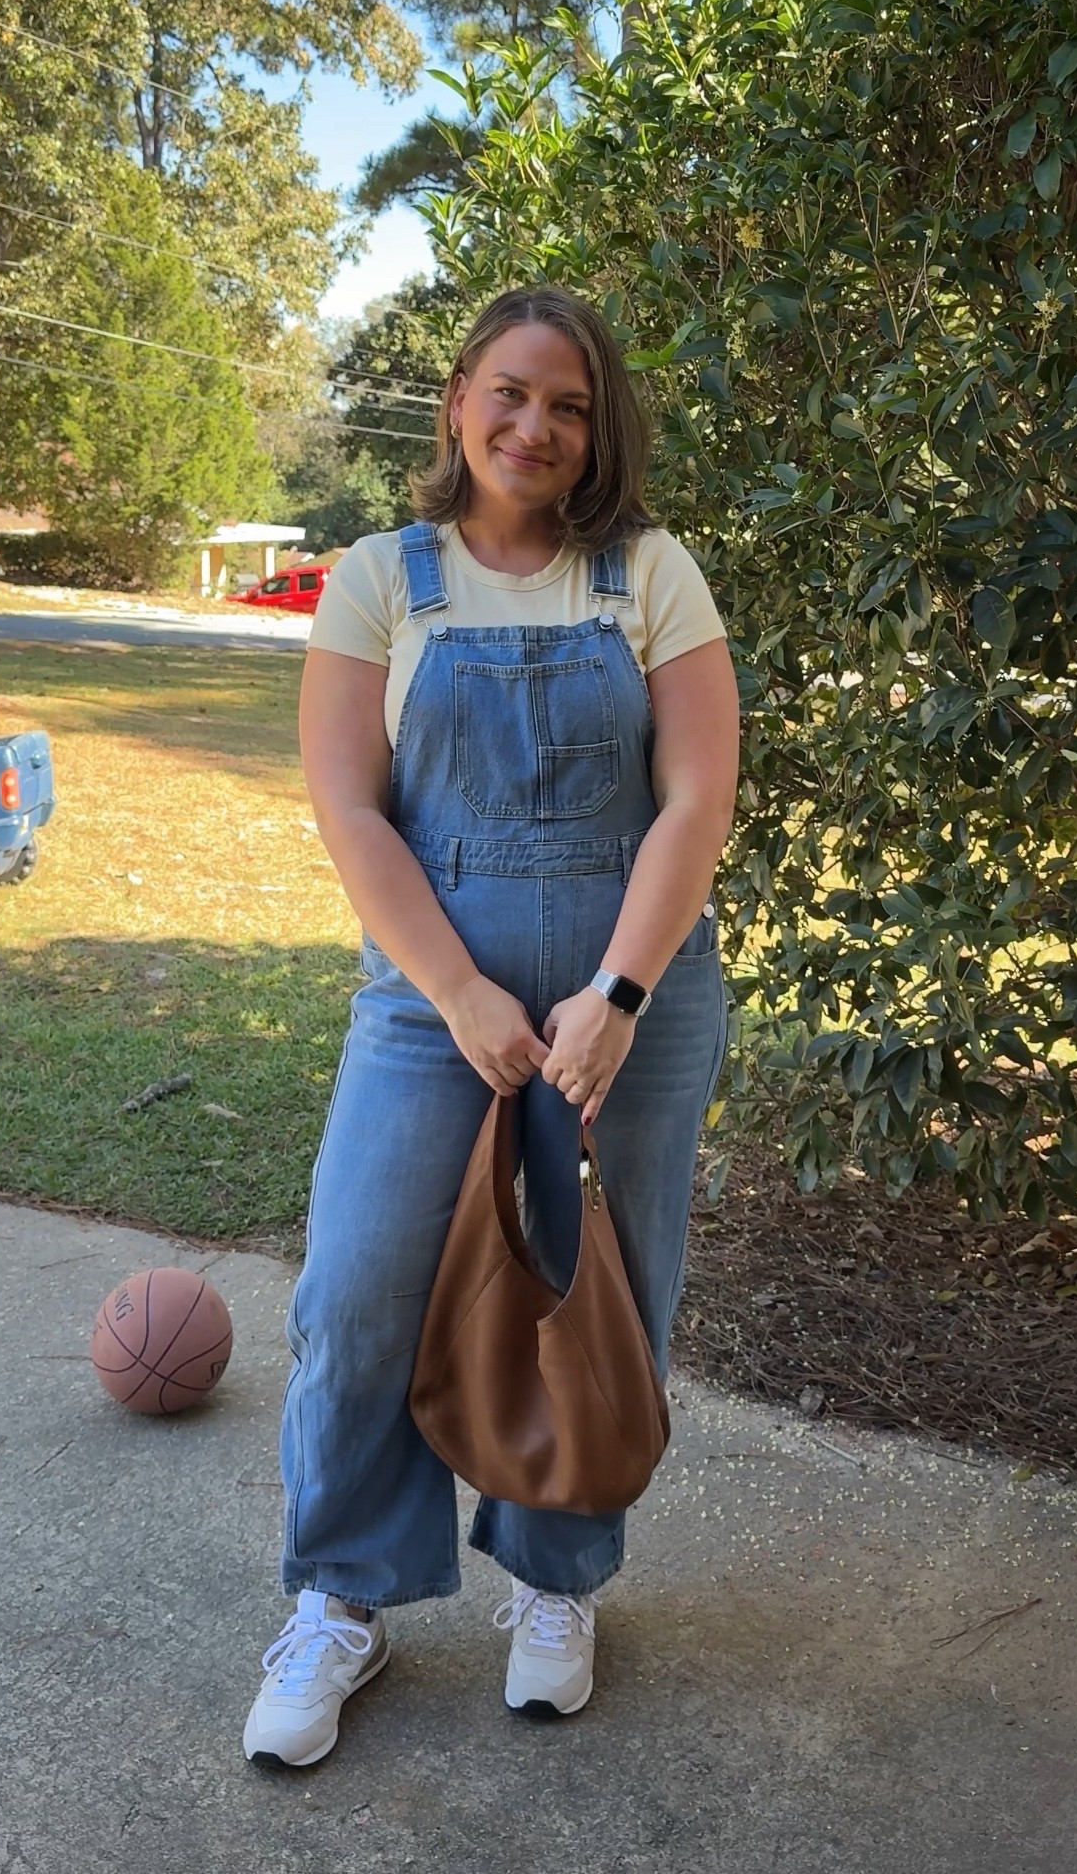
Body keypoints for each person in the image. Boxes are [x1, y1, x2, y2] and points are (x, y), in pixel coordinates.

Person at [243, 286, 739, 1768]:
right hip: (426, 998)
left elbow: (696, 802)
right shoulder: (384, 582)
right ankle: (345, 1597)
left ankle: (555, 1582)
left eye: (571, 406)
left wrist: (618, 996)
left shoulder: (649, 574)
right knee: (355, 1290)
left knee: (601, 1297)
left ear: (599, 434)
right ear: (458, 401)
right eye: (512, 394)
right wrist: (460, 994)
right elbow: (350, 809)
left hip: (630, 1002)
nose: (538, 426)